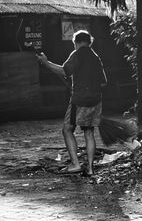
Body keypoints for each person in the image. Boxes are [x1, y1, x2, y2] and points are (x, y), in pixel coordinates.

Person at [37, 30, 107, 176]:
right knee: (89, 132)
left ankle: (75, 164)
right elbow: (104, 82)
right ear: (89, 42)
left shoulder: (77, 54)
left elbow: (64, 71)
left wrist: (45, 63)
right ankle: (90, 169)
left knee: (67, 129)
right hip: (96, 99)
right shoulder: (96, 57)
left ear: (76, 42)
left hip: (79, 99)